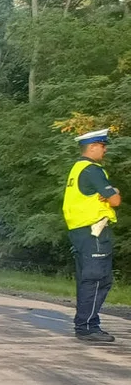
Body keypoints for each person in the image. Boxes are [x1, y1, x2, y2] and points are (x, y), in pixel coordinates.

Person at [64, 128, 121, 342]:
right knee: (97, 279)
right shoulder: (92, 170)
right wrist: (113, 193)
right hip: (94, 232)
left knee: (88, 279)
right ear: (93, 147)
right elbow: (115, 200)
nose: (105, 150)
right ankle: (88, 326)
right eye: (103, 146)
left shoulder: (76, 169)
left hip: (80, 232)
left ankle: (86, 324)